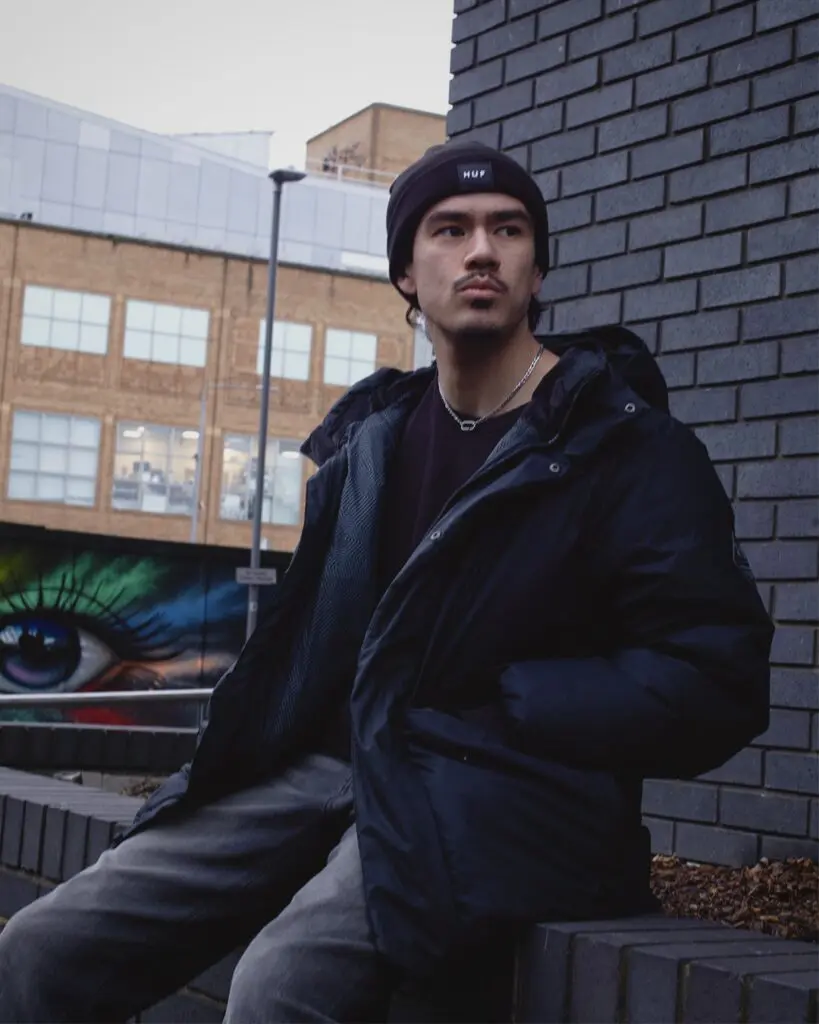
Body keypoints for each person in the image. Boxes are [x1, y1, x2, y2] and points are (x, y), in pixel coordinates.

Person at [0, 141, 773, 1023]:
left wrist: (518, 705)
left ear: (536, 267)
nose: (481, 250)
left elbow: (717, 678)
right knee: (39, 950)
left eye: (507, 229)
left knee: (279, 988)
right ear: (406, 272)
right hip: (332, 764)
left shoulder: (622, 447)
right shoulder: (369, 443)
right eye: (449, 230)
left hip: (503, 786)